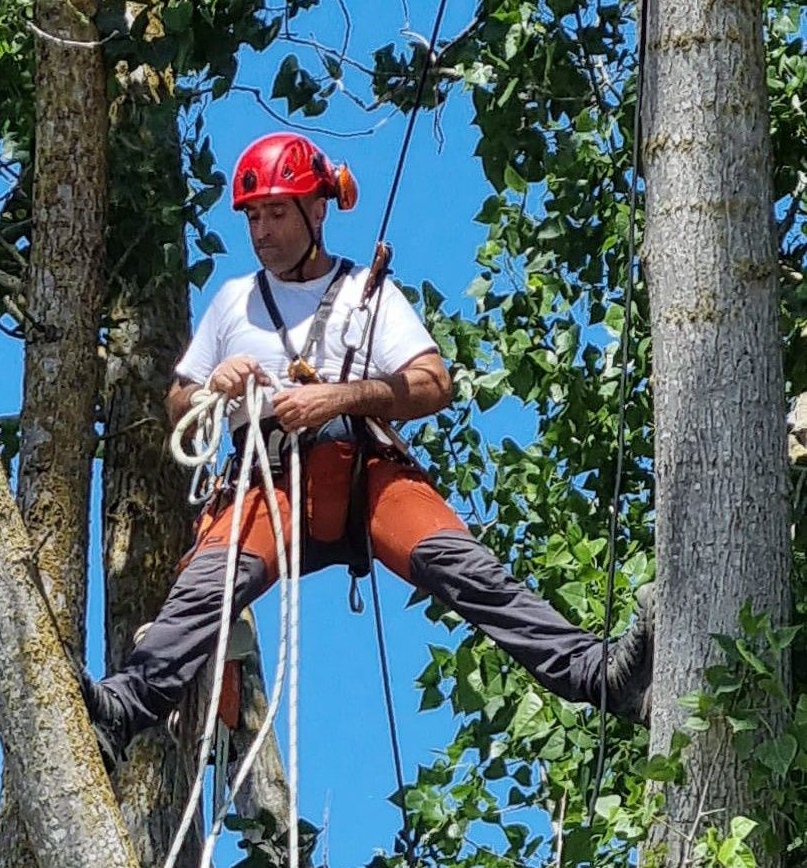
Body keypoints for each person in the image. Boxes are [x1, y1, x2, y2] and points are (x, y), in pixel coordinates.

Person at [82, 133, 653, 763]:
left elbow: (433, 382)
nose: (262, 230)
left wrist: (338, 398)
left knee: (467, 571)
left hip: (361, 475)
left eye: (275, 212)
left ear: (316, 210)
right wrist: (212, 386)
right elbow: (180, 404)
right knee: (207, 587)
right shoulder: (233, 303)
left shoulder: (366, 293)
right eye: (253, 216)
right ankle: (122, 710)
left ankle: (603, 678)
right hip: (269, 483)